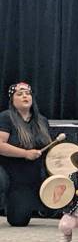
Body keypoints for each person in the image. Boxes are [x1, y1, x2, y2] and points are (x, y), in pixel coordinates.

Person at [0, 82, 52, 227]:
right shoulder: (6, 117)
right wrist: (25, 153)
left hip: (31, 176)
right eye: (20, 94)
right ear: (12, 100)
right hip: (9, 172)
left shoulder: (42, 120)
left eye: (27, 93)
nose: (25, 96)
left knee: (19, 221)